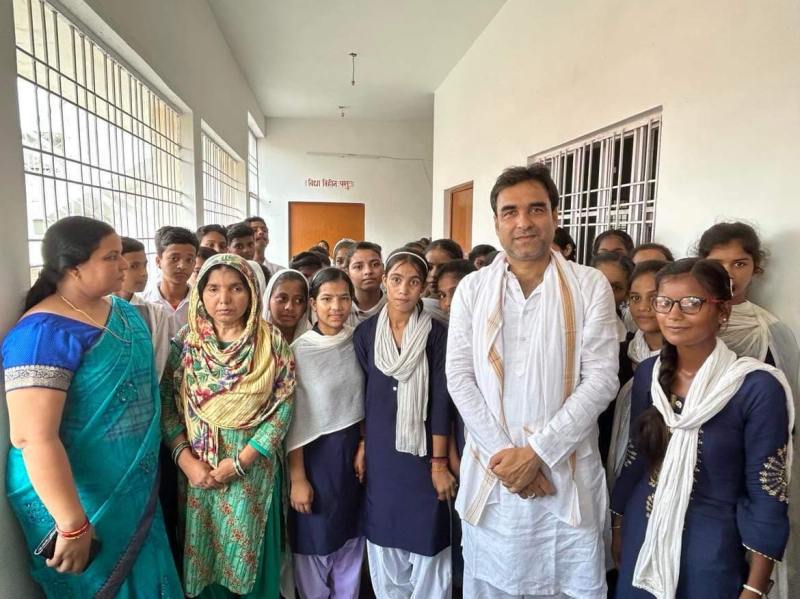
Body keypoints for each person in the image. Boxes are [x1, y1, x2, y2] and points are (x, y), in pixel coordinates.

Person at [447, 164, 619, 598]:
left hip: (566, 476)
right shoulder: (471, 289)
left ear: (555, 216)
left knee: (569, 584)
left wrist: (539, 453)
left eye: (535, 209)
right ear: (497, 223)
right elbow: (459, 376)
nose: (523, 222)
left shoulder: (589, 285)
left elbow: (600, 379)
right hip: (496, 476)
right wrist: (513, 462)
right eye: (510, 212)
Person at [2, 216, 183, 597]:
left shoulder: (122, 313)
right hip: (80, 501)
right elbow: (32, 438)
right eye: (111, 257)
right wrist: (72, 524)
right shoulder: (42, 334)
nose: (124, 266)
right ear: (73, 268)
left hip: (133, 490)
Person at [611, 258, 793, 599]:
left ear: (722, 311)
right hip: (644, 534)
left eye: (691, 303)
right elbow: (636, 462)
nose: (674, 314)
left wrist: (756, 585)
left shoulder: (753, 387)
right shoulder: (649, 376)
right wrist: (619, 526)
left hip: (713, 548)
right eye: (664, 302)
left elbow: (767, 490)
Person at [160, 254, 296, 598]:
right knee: (206, 561)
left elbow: (282, 408)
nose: (224, 300)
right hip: (199, 476)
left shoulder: (271, 343)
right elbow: (167, 407)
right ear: (200, 294)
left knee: (251, 563)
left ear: (251, 292)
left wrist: (241, 463)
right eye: (213, 289)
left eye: (236, 288)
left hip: (254, 475)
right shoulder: (185, 345)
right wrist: (188, 463)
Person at [698, 221, 800, 598]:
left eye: (740, 263)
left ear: (756, 269)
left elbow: (785, 420)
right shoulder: (687, 318)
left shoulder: (769, 330)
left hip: (744, 467)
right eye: (719, 262)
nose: (729, 273)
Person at [353, 248, 456, 598]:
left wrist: (439, 464)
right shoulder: (365, 334)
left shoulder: (436, 335)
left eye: (414, 282)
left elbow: (441, 400)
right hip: (383, 454)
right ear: (384, 281)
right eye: (396, 280)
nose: (403, 290)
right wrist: (365, 444)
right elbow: (366, 396)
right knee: (384, 536)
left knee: (427, 539)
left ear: (422, 287)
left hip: (424, 454)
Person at [287, 268, 366, 599]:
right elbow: (294, 419)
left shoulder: (359, 341)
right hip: (314, 459)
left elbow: (366, 399)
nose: (337, 307)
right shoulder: (299, 351)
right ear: (312, 304)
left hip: (353, 456)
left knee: (351, 535)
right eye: (327, 299)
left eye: (344, 298)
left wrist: (364, 444)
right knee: (314, 540)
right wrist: (298, 478)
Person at [606, 260, 667, 490]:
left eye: (654, 298)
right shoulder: (617, 354)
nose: (643, 307)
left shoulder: (686, 364)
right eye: (635, 297)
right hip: (613, 474)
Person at [113, 236, 173, 378]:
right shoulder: (95, 310)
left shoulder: (155, 312)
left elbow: (158, 365)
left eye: (144, 265)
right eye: (133, 266)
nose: (143, 273)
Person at [142, 226, 197, 337]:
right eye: (174, 258)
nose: (182, 266)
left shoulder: (201, 303)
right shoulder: (144, 303)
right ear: (158, 261)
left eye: (189, 260)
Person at [264, 268, 311, 343]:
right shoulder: (252, 342)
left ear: (306, 306)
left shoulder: (313, 344)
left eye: (298, 300)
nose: (289, 307)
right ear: (268, 301)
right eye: (282, 299)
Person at [345, 242, 386, 326]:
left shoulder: (395, 306)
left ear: (383, 268)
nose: (368, 271)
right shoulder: (342, 310)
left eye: (375, 264)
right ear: (347, 272)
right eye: (358, 267)